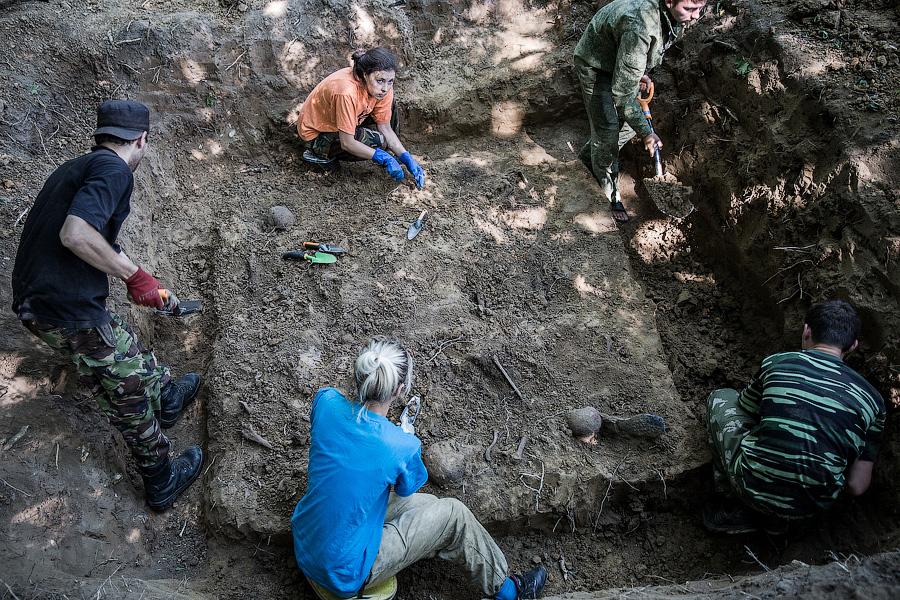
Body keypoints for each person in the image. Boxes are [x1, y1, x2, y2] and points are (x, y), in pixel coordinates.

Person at [10, 100, 203, 512]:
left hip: (53, 297)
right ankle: (161, 477)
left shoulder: (77, 167)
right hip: (62, 308)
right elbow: (75, 233)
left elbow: (91, 235)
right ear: (141, 140)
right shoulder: (115, 169)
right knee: (124, 390)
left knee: (118, 340)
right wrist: (133, 275)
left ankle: (167, 395)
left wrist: (132, 274)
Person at [291, 339, 547, 600]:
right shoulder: (401, 445)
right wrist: (401, 437)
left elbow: (352, 440)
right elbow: (406, 488)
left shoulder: (326, 402)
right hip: (344, 574)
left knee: (429, 504)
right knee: (453, 514)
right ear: (400, 390)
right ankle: (510, 592)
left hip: (306, 542)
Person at [703, 300, 886, 534]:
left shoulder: (778, 362)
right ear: (853, 346)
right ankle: (780, 522)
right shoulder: (874, 401)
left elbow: (745, 408)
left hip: (751, 486)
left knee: (722, 397)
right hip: (810, 507)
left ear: (807, 331)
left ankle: (733, 502)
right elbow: (857, 485)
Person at [574, 0, 707, 222]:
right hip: (595, 66)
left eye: (700, 9)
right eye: (690, 9)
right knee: (607, 130)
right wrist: (647, 132)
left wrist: (637, 73)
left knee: (626, 128)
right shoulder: (640, 26)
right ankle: (610, 195)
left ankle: (589, 158)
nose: (695, 16)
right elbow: (622, 94)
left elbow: (635, 53)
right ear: (669, 1)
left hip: (615, 59)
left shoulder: (668, 16)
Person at [296, 48, 426, 189]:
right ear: (365, 75)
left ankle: (388, 153)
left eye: (390, 81)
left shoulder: (382, 89)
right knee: (378, 141)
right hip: (317, 133)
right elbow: (347, 143)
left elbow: (385, 128)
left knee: (390, 109)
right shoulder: (347, 93)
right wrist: (381, 157)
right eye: (380, 80)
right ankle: (318, 155)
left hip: (345, 118)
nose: (385, 88)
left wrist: (406, 157)